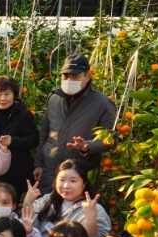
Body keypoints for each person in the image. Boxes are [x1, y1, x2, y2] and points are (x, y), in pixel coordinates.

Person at [34, 54, 116, 194]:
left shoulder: (102, 104)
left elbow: (111, 139)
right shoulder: (55, 99)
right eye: (66, 76)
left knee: (77, 207)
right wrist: (39, 163)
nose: (69, 80)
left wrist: (87, 146)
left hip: (79, 173)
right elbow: (45, 134)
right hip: (51, 171)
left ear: (87, 76)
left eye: (76, 77)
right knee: (47, 205)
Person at [0, 76, 39, 197]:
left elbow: (34, 140)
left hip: (16, 172)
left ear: (14, 95)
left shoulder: (23, 115)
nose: (2, 98)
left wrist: (13, 141)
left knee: (11, 203)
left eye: (7, 94)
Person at [25, 159, 111, 237]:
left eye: (73, 181)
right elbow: (28, 232)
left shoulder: (94, 209)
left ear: (84, 183)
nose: (66, 186)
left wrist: (90, 218)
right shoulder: (47, 199)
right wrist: (28, 204)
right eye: (62, 180)